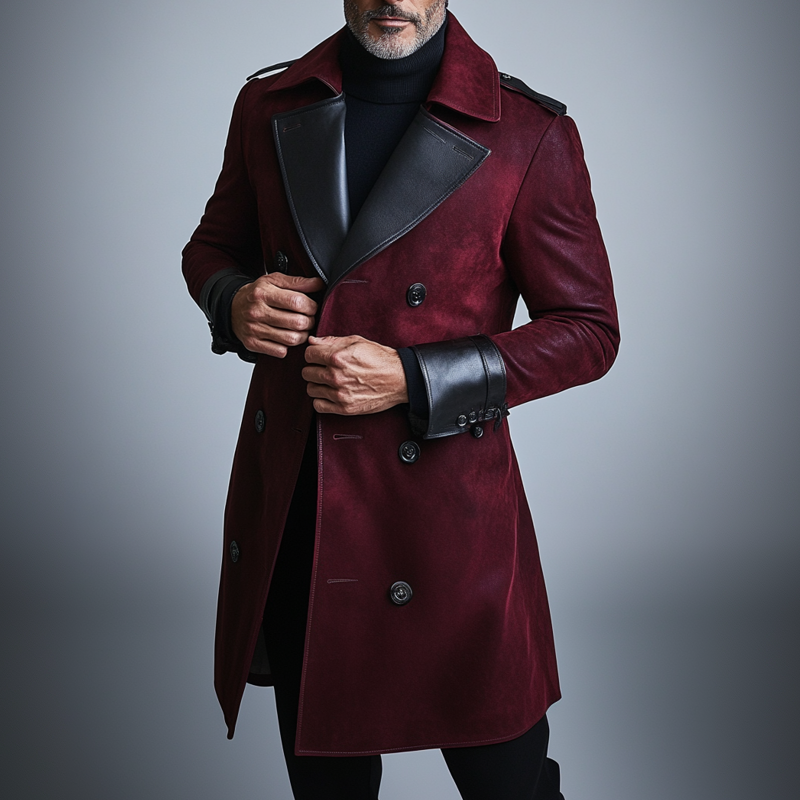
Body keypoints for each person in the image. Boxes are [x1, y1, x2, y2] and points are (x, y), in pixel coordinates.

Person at [182, 1, 619, 797]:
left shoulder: (528, 131)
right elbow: (213, 248)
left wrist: (415, 378)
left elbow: (588, 331)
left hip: (451, 521)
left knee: (510, 783)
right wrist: (232, 299)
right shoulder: (269, 105)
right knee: (328, 786)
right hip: (307, 504)